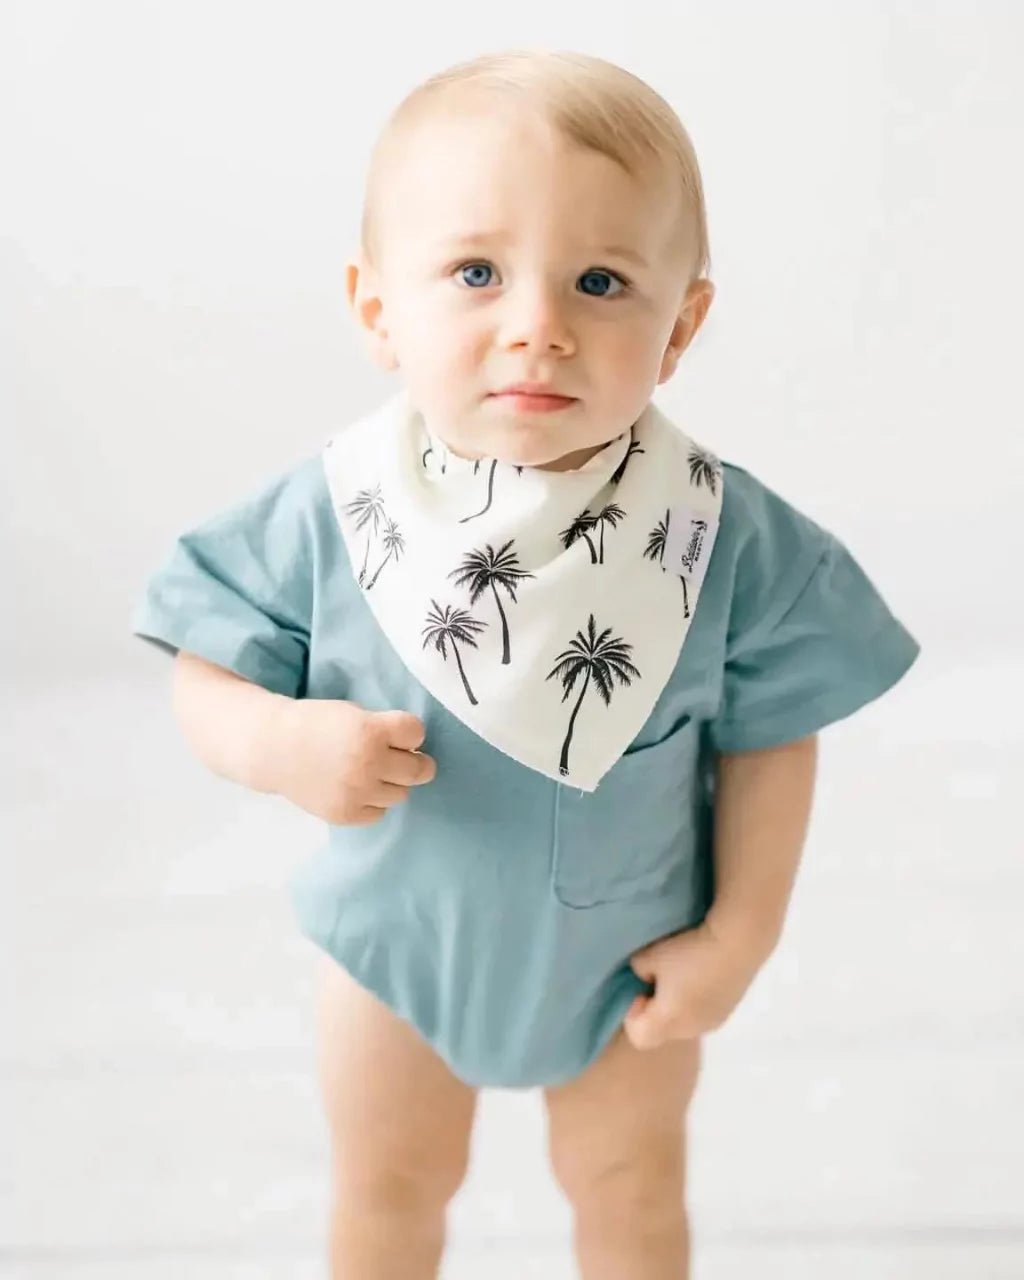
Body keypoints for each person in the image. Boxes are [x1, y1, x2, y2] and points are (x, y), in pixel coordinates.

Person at [131, 48, 921, 1280]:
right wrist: (277, 743)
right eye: (476, 272)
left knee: (631, 1194)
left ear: (681, 325)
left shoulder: (718, 535)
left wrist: (741, 934)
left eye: (600, 280)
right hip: (397, 953)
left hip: (625, 969)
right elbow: (201, 665)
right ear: (380, 307)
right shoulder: (339, 510)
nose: (538, 326)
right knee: (388, 1193)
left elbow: (774, 733)